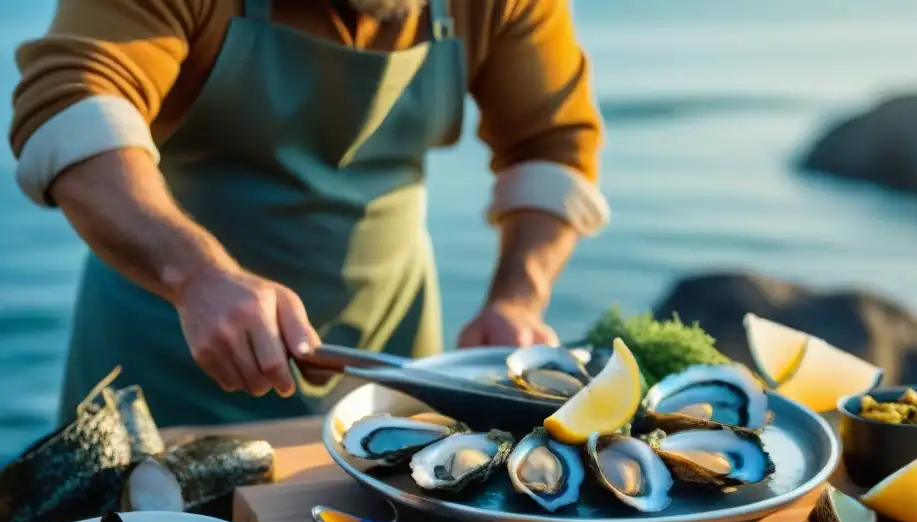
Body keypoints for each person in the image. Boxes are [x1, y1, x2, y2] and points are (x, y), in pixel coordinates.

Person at [8, 0, 609, 427]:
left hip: (393, 360)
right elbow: (70, 104)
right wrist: (193, 274)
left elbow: (552, 144)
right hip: (164, 360)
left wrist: (517, 300)